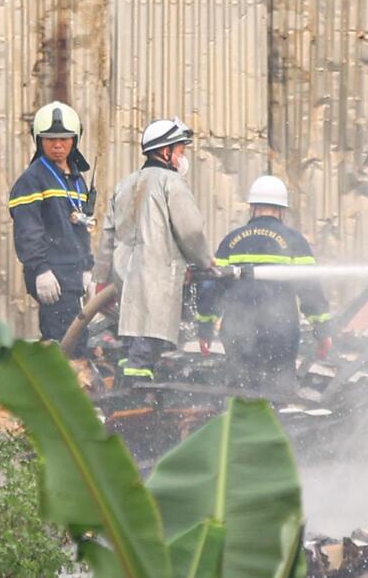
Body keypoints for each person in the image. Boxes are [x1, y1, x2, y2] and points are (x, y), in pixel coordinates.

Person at [94, 118, 222, 379]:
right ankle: (139, 392)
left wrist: (100, 278)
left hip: (124, 275)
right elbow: (190, 230)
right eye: (180, 151)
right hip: (157, 273)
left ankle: (125, 379)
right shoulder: (171, 182)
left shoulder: (125, 184)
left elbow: (107, 236)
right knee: (149, 340)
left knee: (131, 332)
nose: (181, 158)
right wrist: (205, 260)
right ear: (166, 152)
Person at [200, 175, 331, 387]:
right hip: (280, 333)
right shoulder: (294, 241)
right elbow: (311, 291)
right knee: (276, 393)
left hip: (237, 332)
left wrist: (204, 329)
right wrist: (323, 332)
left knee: (240, 393)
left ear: (252, 207)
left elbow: (211, 288)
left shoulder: (231, 241)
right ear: (282, 210)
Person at [8, 102, 96, 343]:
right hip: (53, 277)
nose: (58, 145)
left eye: (64, 139)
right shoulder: (33, 179)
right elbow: (28, 230)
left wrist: (88, 267)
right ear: (39, 140)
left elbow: (83, 227)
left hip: (75, 274)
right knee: (63, 344)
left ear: (75, 139)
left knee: (79, 343)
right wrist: (40, 269)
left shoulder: (77, 179)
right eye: (50, 139)